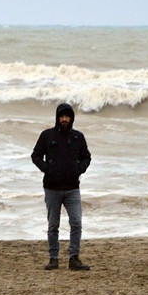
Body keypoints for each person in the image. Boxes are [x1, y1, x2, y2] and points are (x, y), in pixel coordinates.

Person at [31, 103, 92, 271]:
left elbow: (86, 157)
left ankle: (74, 258)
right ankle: (53, 258)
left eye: (67, 116)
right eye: (62, 116)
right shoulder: (47, 135)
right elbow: (35, 155)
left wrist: (79, 170)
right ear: (57, 118)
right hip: (52, 187)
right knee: (53, 225)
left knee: (76, 223)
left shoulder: (78, 137)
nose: (64, 119)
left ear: (72, 118)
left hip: (72, 188)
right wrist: (47, 168)